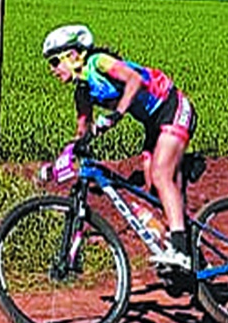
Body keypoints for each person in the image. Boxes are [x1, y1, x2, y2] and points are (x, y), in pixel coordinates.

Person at [42, 24, 197, 268]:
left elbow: (134, 80)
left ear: (73, 55)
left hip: (172, 105)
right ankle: (189, 247)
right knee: (152, 189)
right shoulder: (82, 93)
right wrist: (57, 164)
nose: (52, 69)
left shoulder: (99, 62)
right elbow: (81, 133)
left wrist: (117, 114)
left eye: (54, 61)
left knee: (161, 174)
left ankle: (180, 250)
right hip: (152, 123)